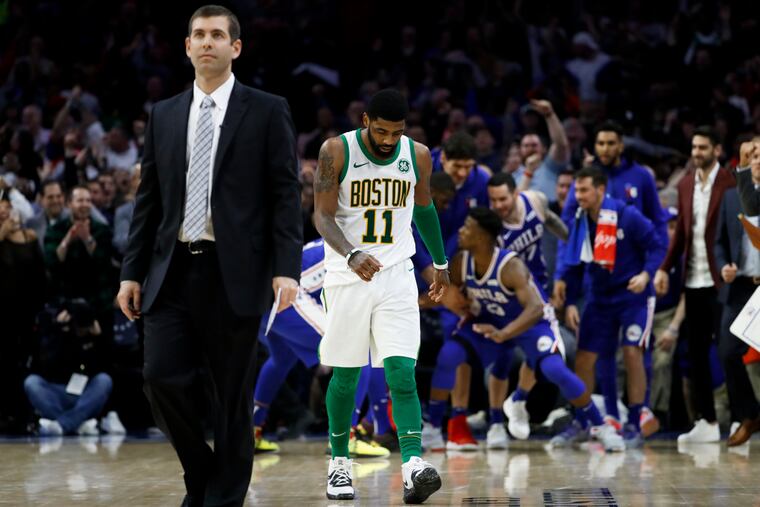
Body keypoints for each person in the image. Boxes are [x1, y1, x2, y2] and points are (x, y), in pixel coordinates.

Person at [116, 6, 302, 507]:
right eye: (198, 34)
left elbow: (285, 194)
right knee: (159, 378)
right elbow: (149, 201)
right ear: (186, 46)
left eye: (217, 35)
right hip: (171, 269)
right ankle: (202, 474)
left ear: (235, 47)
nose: (206, 42)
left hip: (235, 272)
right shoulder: (165, 113)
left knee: (232, 400)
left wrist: (287, 268)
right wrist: (130, 273)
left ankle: (221, 499)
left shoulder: (266, 109)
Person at [313, 88, 448, 503]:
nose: (389, 139)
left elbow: (423, 209)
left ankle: (412, 464)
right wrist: (352, 253)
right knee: (347, 375)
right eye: (382, 130)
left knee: (402, 373)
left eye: (397, 132)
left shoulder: (418, 155)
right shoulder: (336, 150)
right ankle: (339, 463)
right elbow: (321, 213)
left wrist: (441, 262)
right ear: (366, 119)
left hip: (396, 274)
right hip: (347, 273)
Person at [446, 207, 623, 452]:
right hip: (496, 318)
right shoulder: (460, 262)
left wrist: (506, 333)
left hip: (532, 322)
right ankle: (497, 422)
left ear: (483, 236)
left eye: (467, 226)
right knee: (478, 354)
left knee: (553, 369)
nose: (460, 231)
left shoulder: (510, 265)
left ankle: (600, 425)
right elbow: (448, 294)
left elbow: (536, 309)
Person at [556, 166, 667, 448]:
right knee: (583, 358)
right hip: (600, 297)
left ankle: (634, 421)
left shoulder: (627, 215)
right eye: (575, 190)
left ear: (601, 190)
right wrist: (569, 301)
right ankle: (584, 420)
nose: (577, 196)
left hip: (634, 295)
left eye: (583, 190)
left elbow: (656, 246)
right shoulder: (580, 220)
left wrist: (646, 275)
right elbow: (573, 264)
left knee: (632, 352)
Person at [252, 238, 394, 458]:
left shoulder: (340, 238)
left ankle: (253, 430)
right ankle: (348, 436)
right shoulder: (368, 250)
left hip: (267, 296)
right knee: (358, 350)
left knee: (281, 360)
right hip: (290, 294)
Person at [655, 127, 735, 444]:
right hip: (694, 279)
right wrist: (664, 268)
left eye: (703, 147)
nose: (697, 152)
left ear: (716, 150)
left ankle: (744, 415)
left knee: (731, 350)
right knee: (697, 352)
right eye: (694, 147)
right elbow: (681, 236)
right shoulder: (686, 184)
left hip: (724, 278)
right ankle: (707, 420)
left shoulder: (731, 182)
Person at [714, 163, 760, 446]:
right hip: (742, 286)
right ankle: (750, 414)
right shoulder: (736, 195)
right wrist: (723, 267)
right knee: (729, 352)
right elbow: (752, 209)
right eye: (752, 155)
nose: (755, 159)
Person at [512, 99, 570, 201]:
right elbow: (517, 204)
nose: (530, 149)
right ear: (520, 150)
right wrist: (528, 172)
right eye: (526, 146)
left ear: (544, 149)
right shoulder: (514, 175)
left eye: (534, 145)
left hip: (553, 212)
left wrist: (549, 115)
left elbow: (560, 144)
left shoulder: (551, 166)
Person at [735, 138, 760, 216]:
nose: (759, 161)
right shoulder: (731, 194)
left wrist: (744, 166)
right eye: (755, 157)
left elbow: (751, 209)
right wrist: (744, 165)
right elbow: (752, 209)